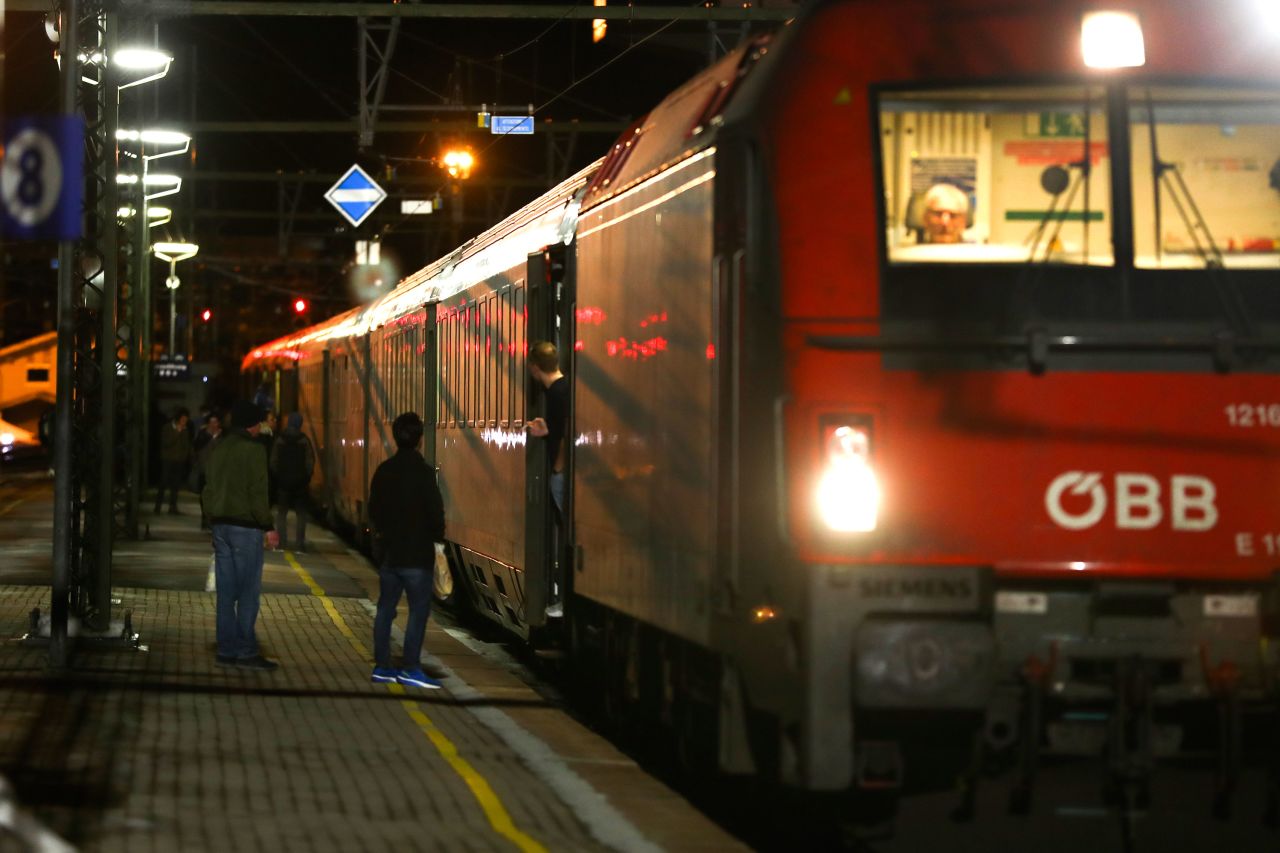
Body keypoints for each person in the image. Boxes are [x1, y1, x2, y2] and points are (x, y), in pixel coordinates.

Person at [368, 411, 446, 689]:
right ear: (420, 440)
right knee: (417, 612)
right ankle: (411, 668)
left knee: (385, 610)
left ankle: (382, 666)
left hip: (390, 556)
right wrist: (437, 537)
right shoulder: (424, 474)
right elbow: (436, 515)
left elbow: (373, 510)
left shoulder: (384, 471)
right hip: (417, 558)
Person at [203, 399, 280, 671]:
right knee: (248, 593)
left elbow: (208, 488)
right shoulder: (254, 450)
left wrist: (212, 518)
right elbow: (258, 493)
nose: (262, 426)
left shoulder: (219, 447)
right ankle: (246, 651)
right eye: (260, 422)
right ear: (252, 424)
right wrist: (268, 526)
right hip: (246, 529)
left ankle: (225, 650)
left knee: (226, 593)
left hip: (221, 526)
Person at [525, 340, 569, 618]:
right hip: (560, 470)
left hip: (560, 473)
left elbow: (564, 434)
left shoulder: (556, 392)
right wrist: (545, 430)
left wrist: (556, 468)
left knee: (563, 530)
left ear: (534, 368)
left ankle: (561, 597)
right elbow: (557, 429)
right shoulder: (564, 388)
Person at [270, 412, 315, 551]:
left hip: (283, 482)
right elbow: (310, 462)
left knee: (281, 513)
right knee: (301, 514)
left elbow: (273, 461)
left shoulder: (279, 440)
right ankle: (299, 544)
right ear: (300, 424)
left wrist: (278, 476)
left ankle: (282, 542)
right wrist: (306, 477)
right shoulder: (304, 440)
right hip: (300, 483)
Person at [155, 407, 192, 514]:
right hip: (168, 459)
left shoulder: (186, 430)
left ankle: (173, 507)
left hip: (179, 460)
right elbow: (166, 443)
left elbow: (186, 445)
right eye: (183, 419)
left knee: (175, 485)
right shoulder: (167, 428)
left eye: (186, 419)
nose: (184, 421)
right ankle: (158, 506)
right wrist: (177, 432)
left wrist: (184, 457)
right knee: (163, 482)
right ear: (178, 419)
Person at [192, 411, 224, 529]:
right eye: (212, 422)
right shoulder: (203, 435)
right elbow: (198, 449)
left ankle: (212, 519)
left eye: (216, 422)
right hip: (204, 470)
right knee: (204, 496)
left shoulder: (222, 436)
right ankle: (205, 518)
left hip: (217, 471)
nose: (214, 424)